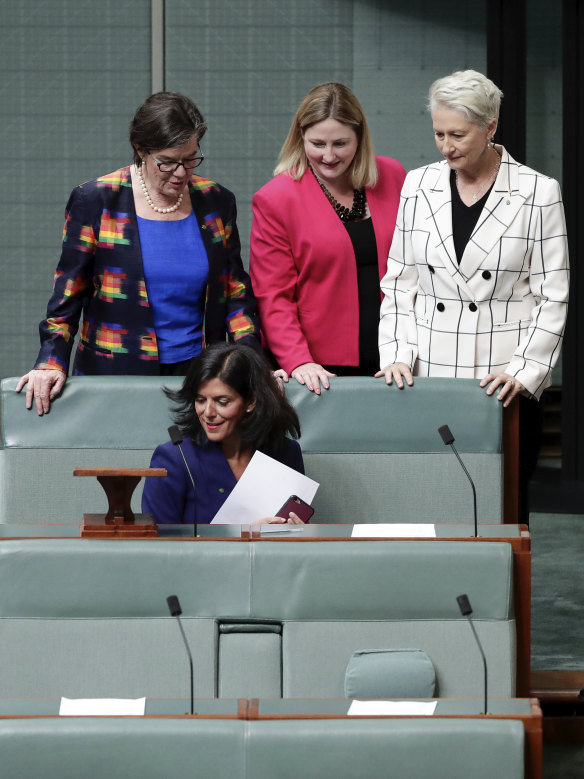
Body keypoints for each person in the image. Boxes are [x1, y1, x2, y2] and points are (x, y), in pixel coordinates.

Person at [377, 69, 570, 522]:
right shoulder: (418, 185)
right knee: (431, 503)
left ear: (491, 127)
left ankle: (495, 595)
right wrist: (397, 354)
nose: (447, 147)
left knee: (501, 509)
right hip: (428, 375)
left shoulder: (538, 192)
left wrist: (526, 371)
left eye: (458, 134)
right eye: (439, 134)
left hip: (502, 381)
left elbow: (553, 291)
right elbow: (399, 282)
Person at [17, 92, 260, 415]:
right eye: (168, 162)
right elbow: (68, 295)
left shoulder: (215, 201)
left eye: (190, 159)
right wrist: (51, 360)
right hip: (114, 372)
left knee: (191, 465)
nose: (180, 172)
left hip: (200, 375)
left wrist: (253, 363)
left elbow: (235, 294)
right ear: (141, 150)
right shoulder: (97, 200)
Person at [250, 82, 405, 394]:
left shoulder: (393, 175)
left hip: (393, 357)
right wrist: (298, 361)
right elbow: (273, 296)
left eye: (340, 144)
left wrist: (405, 350)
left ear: (360, 138)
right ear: (300, 138)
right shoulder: (276, 198)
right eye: (317, 143)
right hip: (318, 368)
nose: (329, 156)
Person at [142, 342, 305, 525]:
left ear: (251, 401)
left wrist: (300, 533)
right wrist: (243, 541)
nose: (208, 412)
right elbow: (157, 547)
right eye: (201, 400)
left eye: (222, 401)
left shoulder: (286, 452)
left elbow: (296, 545)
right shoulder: (173, 459)